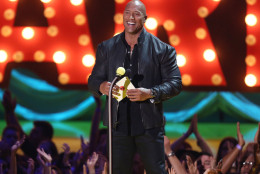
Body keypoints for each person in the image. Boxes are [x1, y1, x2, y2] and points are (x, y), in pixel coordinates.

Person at [88, 0, 182, 173]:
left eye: (137, 14)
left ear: (145, 19)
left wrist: (151, 93)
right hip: (118, 126)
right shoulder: (107, 47)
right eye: (127, 13)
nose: (131, 17)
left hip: (149, 126)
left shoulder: (163, 50)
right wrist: (102, 86)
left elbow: (175, 83)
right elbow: (93, 80)